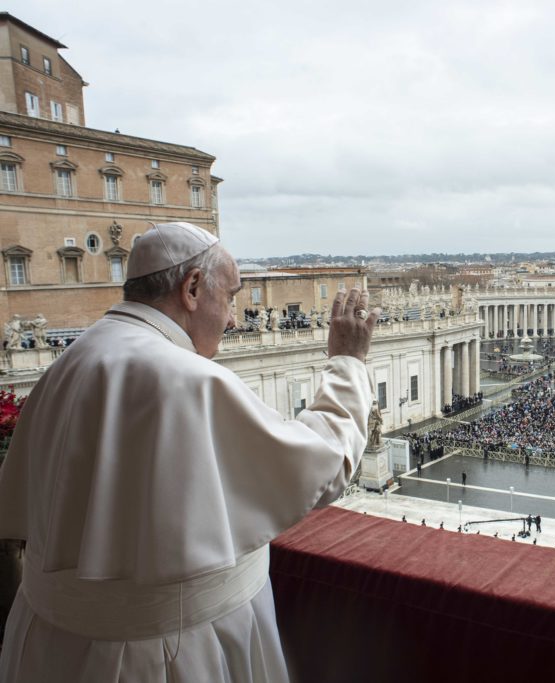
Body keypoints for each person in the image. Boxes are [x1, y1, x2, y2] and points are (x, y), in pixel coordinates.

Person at [0, 222, 379, 682]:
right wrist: (348, 362)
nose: (235, 318)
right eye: (233, 296)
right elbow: (326, 463)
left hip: (49, 647)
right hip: (169, 656)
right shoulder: (189, 379)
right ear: (193, 288)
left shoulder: (71, 360)